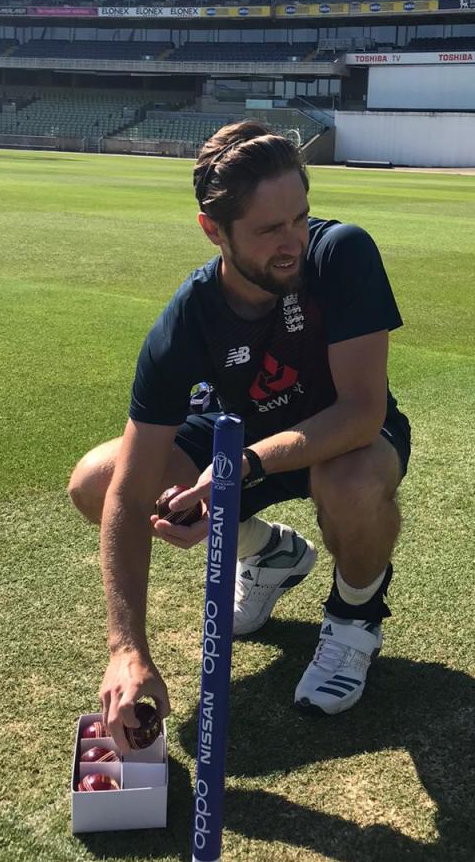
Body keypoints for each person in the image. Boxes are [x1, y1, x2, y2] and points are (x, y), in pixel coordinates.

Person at [67, 120, 410, 751]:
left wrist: (241, 468)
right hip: (239, 441)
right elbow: (126, 489)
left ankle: (354, 619)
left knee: (351, 479)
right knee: (95, 480)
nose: (293, 243)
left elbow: (361, 412)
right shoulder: (188, 318)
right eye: (268, 229)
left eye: (299, 218)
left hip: (339, 437)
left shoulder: (341, 253)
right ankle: (269, 552)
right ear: (212, 230)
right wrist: (125, 647)